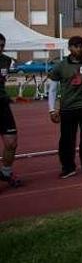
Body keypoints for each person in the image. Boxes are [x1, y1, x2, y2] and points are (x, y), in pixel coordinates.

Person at [47, 36, 82, 179]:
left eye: (81, 46)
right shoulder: (60, 66)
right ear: (69, 48)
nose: (79, 49)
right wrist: (52, 109)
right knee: (66, 140)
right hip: (67, 108)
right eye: (75, 46)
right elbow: (52, 89)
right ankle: (68, 167)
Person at [0, 33, 22, 187]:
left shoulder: (6, 61)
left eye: (2, 45)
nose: (0, 48)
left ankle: (6, 173)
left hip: (2, 105)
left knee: (11, 142)